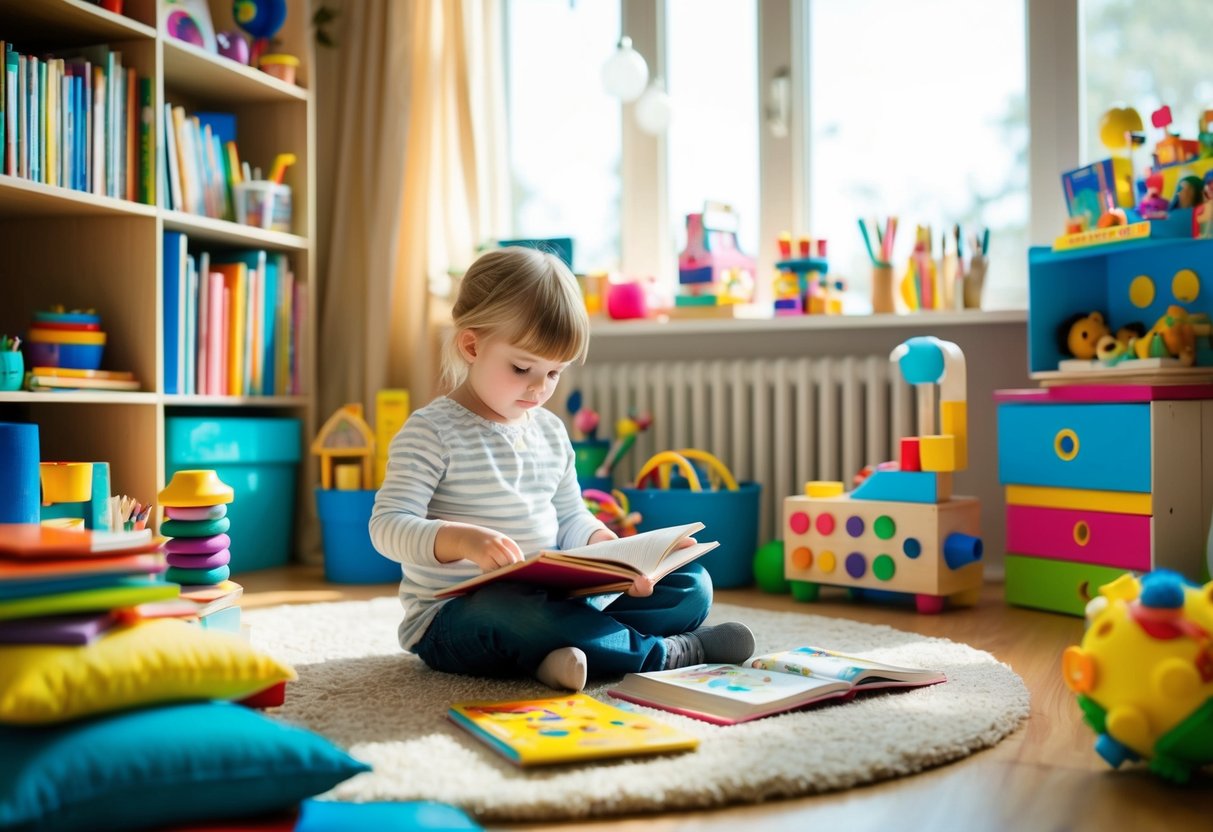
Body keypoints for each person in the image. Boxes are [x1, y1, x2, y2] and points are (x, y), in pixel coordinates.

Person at [369, 246, 754, 691]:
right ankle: (668, 653)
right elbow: (387, 526)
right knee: (515, 611)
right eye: (522, 368)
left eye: (554, 373)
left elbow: (571, 516)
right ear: (472, 345)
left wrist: (613, 554)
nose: (539, 388)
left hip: (559, 603)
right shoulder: (431, 432)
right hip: (457, 620)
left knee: (692, 583)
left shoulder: (550, 432)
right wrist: (460, 540)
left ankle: (557, 657)